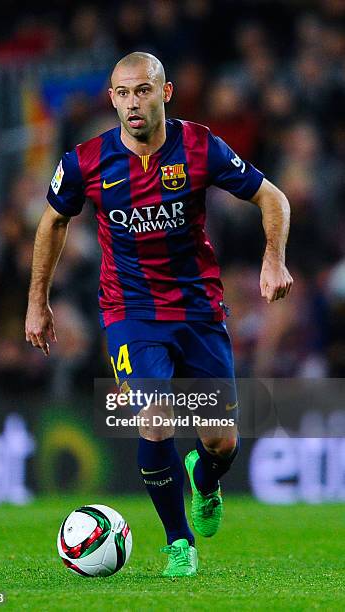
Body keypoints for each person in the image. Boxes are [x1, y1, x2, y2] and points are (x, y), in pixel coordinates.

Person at [25, 52, 293, 577]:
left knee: (220, 441)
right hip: (130, 312)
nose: (132, 103)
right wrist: (38, 302)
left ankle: (206, 477)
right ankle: (179, 543)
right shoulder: (85, 161)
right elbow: (52, 224)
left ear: (165, 93)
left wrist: (273, 258)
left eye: (143, 91)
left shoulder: (198, 146)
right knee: (154, 421)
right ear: (111, 99)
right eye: (122, 93)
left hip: (198, 310)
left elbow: (273, 198)